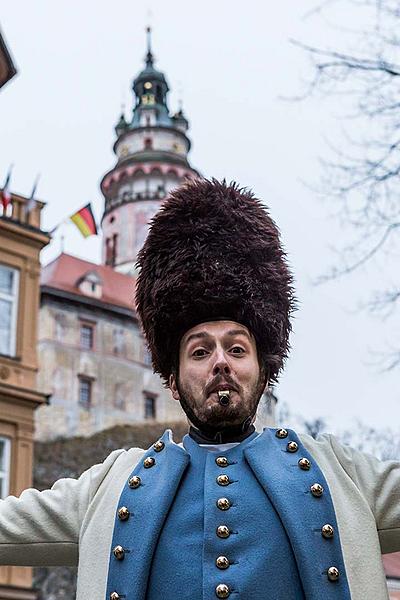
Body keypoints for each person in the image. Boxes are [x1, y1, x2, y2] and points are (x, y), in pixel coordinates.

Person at [0, 179, 398, 600]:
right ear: (172, 381)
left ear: (264, 371)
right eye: (200, 351)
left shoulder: (340, 473)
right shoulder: (111, 486)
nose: (221, 361)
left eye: (237, 348)